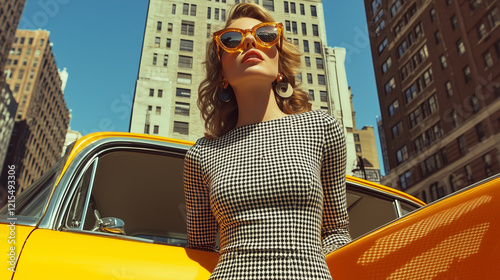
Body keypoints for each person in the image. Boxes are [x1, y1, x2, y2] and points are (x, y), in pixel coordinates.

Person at [183, 3, 351, 279]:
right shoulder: (202, 154)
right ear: (222, 74)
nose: (249, 40)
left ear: (280, 64)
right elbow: (200, 248)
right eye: (231, 40)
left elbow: (336, 232)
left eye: (265, 35)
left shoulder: (321, 127)